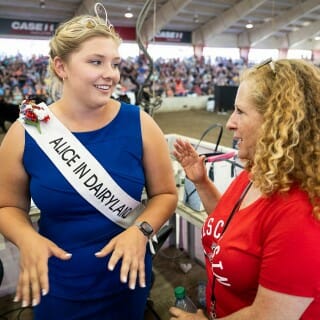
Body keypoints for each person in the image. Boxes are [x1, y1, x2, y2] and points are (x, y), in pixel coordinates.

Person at [0, 4, 177, 320]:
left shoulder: (140, 123)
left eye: (115, 63)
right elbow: (7, 207)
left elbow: (165, 195)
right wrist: (27, 239)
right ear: (61, 66)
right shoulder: (28, 127)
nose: (110, 73)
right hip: (54, 282)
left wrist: (141, 230)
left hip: (127, 279)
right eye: (96, 62)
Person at [170, 58, 320, 319]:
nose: (229, 123)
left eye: (240, 111)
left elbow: (269, 316)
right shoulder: (258, 172)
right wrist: (201, 182)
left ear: (276, 121)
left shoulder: (302, 211)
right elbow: (232, 225)